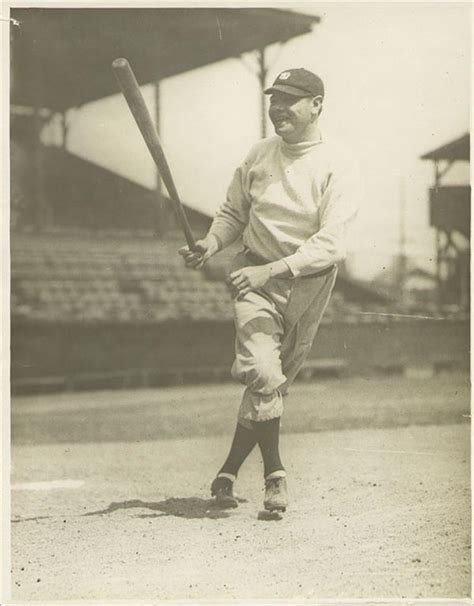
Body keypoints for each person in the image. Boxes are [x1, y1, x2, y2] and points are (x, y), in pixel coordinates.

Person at [179, 68, 362, 514]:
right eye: (273, 98)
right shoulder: (259, 154)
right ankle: (275, 475)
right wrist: (212, 242)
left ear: (317, 104)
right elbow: (231, 214)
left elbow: (333, 243)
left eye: (290, 99)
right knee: (263, 371)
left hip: (309, 285)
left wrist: (278, 270)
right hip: (254, 279)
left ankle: (226, 471)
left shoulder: (339, 162)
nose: (277, 107)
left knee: (271, 388)